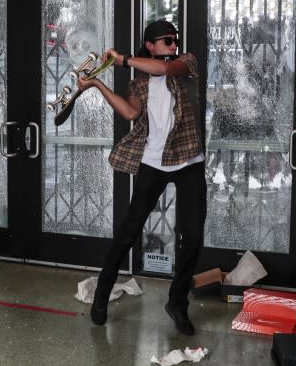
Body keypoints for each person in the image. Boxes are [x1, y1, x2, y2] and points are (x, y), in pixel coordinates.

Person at [77, 20, 206, 336]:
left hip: (189, 161)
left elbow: (165, 69)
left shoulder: (185, 64)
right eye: (166, 40)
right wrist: (97, 84)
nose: (173, 43)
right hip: (155, 162)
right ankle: (102, 296)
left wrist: (122, 60)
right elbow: (131, 113)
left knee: (192, 235)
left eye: (174, 38)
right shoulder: (139, 84)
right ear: (150, 45)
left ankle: (177, 303)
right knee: (128, 232)